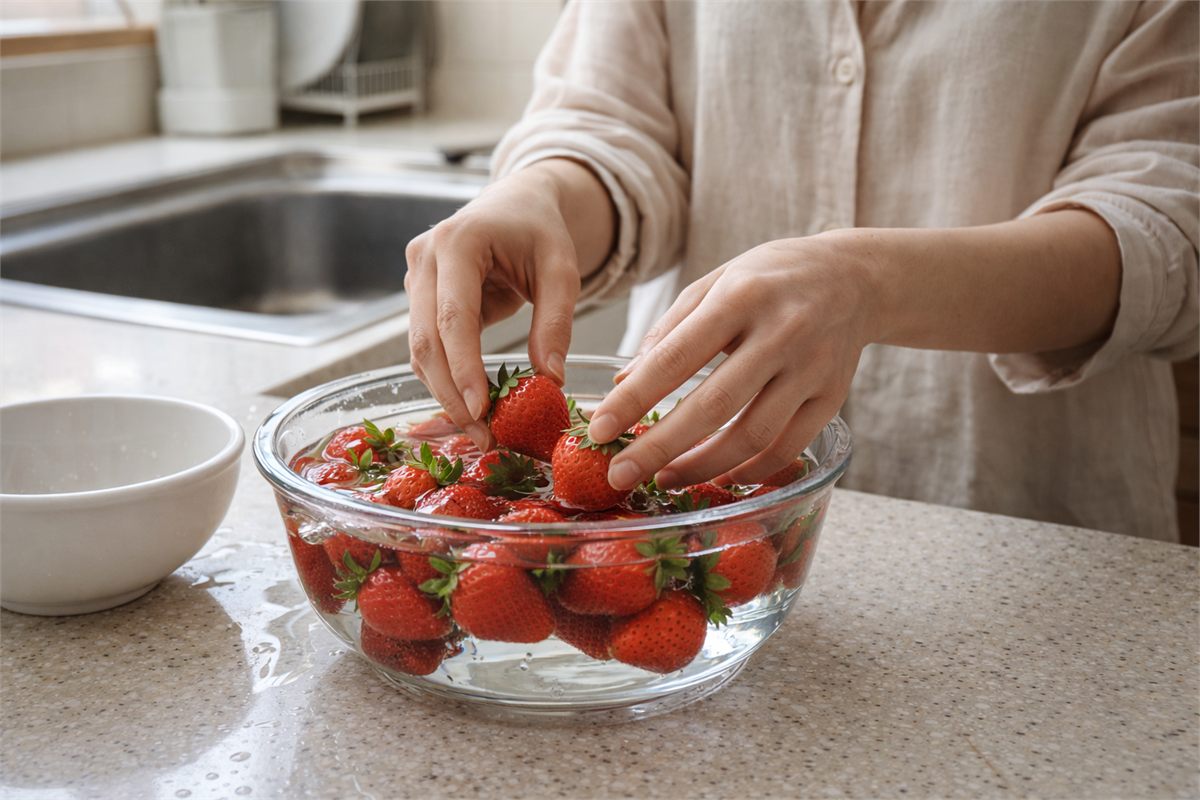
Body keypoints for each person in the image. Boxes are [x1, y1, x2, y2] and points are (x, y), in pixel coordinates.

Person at [403, 1, 1199, 541]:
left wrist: (875, 282)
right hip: (678, 525)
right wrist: (542, 193)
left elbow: (1171, 224)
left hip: (1023, 536)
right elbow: (609, 124)